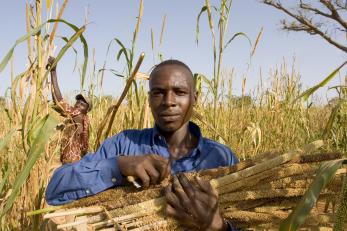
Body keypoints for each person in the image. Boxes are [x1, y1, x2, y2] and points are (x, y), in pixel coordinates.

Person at [45, 59, 239, 230]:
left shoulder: (221, 158)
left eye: (179, 92)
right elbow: (55, 190)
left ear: (194, 98)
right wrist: (118, 165)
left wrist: (218, 227)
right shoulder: (123, 144)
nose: (169, 102)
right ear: (149, 99)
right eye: (158, 93)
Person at [47, 56, 92, 164]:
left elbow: (58, 100)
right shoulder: (84, 120)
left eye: (82, 105)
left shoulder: (78, 116)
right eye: (78, 102)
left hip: (71, 163)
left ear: (86, 110)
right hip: (76, 161)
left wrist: (53, 72)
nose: (78, 105)